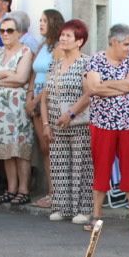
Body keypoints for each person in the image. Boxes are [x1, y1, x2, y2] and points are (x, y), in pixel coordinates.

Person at [84, 23, 129, 232]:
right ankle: (96, 215)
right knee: (101, 167)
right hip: (102, 123)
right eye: (126, 44)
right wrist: (121, 85)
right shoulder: (96, 60)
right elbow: (93, 88)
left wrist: (107, 84)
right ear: (113, 42)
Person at [0, 9, 35, 204]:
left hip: (17, 108)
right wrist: (7, 74)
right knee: (5, 150)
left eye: (10, 31)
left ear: (19, 33)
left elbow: (21, 78)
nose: (5, 34)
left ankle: (24, 189)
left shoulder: (26, 51)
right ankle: (11, 187)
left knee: (20, 149)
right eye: (2, 30)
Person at [46, 19, 93, 224]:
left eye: (68, 36)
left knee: (81, 165)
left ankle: (83, 209)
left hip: (79, 123)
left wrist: (71, 113)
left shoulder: (86, 63)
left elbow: (89, 92)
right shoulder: (55, 63)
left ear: (79, 41)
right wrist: (47, 123)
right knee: (59, 163)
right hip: (57, 121)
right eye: (62, 35)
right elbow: (46, 94)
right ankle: (63, 207)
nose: (63, 39)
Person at [29, 9, 64, 210]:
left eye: (44, 20)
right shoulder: (43, 45)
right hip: (36, 97)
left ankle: (55, 193)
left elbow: (53, 76)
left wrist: (37, 100)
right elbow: (34, 73)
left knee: (51, 147)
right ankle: (50, 191)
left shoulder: (59, 47)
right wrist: (30, 95)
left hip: (49, 99)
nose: (40, 24)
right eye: (40, 20)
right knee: (43, 148)